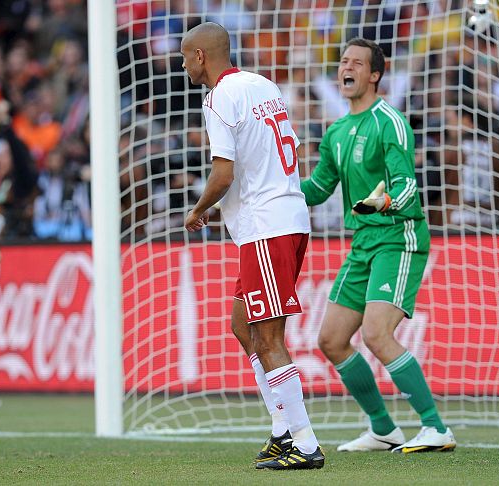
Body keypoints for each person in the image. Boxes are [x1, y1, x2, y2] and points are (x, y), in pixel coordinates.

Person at [300, 38, 456, 454]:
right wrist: (275, 190)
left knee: (376, 333)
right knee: (332, 339)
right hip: (363, 242)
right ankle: (384, 428)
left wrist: (384, 202)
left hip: (397, 235)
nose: (346, 68)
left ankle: (436, 427)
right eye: (343, 61)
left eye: (356, 63)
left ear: (374, 75)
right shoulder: (336, 132)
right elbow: (318, 188)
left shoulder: (390, 121)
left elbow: (407, 185)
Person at [181, 22, 323, 470]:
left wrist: (197, 209)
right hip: (288, 216)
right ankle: (282, 429)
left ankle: (305, 444)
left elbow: (223, 174)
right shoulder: (262, 85)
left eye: (185, 58)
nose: (183, 66)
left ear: (200, 57)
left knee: (268, 337)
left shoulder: (218, 97)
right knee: (243, 327)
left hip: (266, 226)